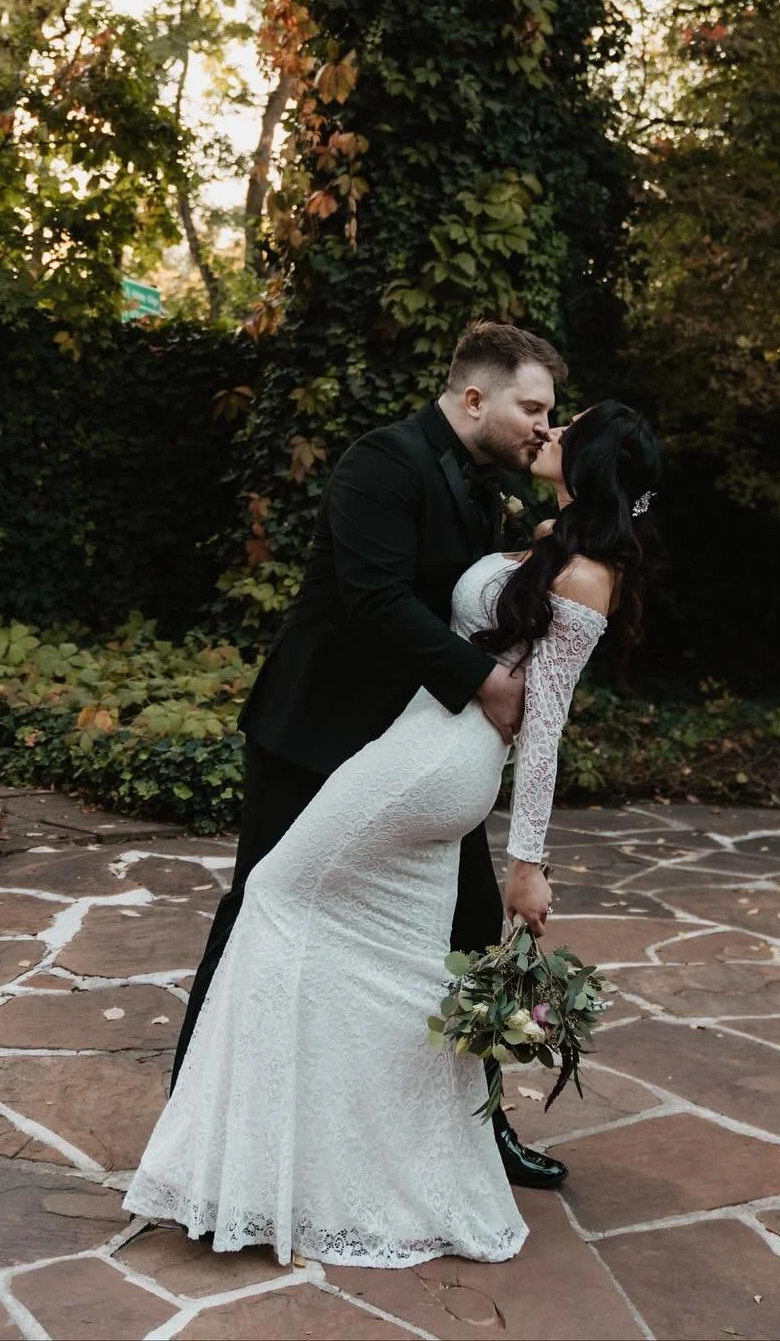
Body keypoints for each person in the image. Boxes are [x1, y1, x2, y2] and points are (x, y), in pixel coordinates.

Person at [125, 390, 663, 1266]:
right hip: (424, 744)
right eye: (546, 413)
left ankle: (253, 1161)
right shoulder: (552, 544)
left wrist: (528, 862)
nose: (550, 431)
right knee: (407, 963)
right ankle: (373, 1167)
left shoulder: (589, 576)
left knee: (275, 893)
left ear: (594, 465)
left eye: (567, 428)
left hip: (437, 763)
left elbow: (545, 728)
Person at [170, 319, 569, 1190]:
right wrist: (487, 686)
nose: (544, 425)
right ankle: (191, 1123)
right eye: (532, 407)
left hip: (415, 755)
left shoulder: (485, 483)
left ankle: (475, 1126)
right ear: (474, 397)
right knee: (259, 911)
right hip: (316, 736)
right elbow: (374, 601)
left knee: (466, 932)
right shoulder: (380, 462)